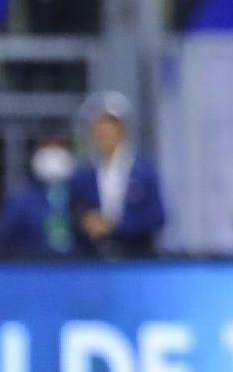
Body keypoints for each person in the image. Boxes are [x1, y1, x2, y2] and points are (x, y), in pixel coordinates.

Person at [70, 92, 167, 256]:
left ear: (122, 130)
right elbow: (73, 214)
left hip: (137, 258)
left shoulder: (144, 172)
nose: (104, 132)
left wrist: (115, 226)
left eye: (110, 125)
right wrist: (88, 223)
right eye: (99, 126)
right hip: (93, 261)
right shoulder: (82, 176)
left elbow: (157, 217)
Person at [0, 131, 80, 256]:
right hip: (33, 269)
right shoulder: (20, 200)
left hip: (79, 269)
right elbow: (2, 242)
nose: (53, 153)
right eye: (46, 145)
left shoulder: (83, 194)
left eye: (60, 145)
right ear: (35, 152)